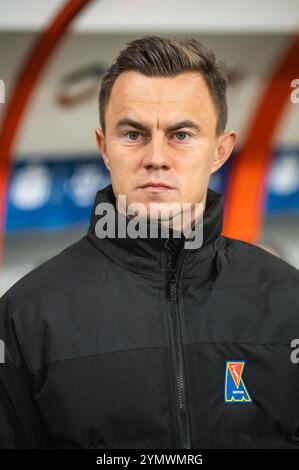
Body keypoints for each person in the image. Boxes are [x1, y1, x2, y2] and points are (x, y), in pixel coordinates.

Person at [0, 35, 299, 449]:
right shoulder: (26, 316)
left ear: (220, 150)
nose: (156, 157)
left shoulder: (289, 299)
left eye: (181, 135)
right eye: (134, 134)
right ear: (105, 147)